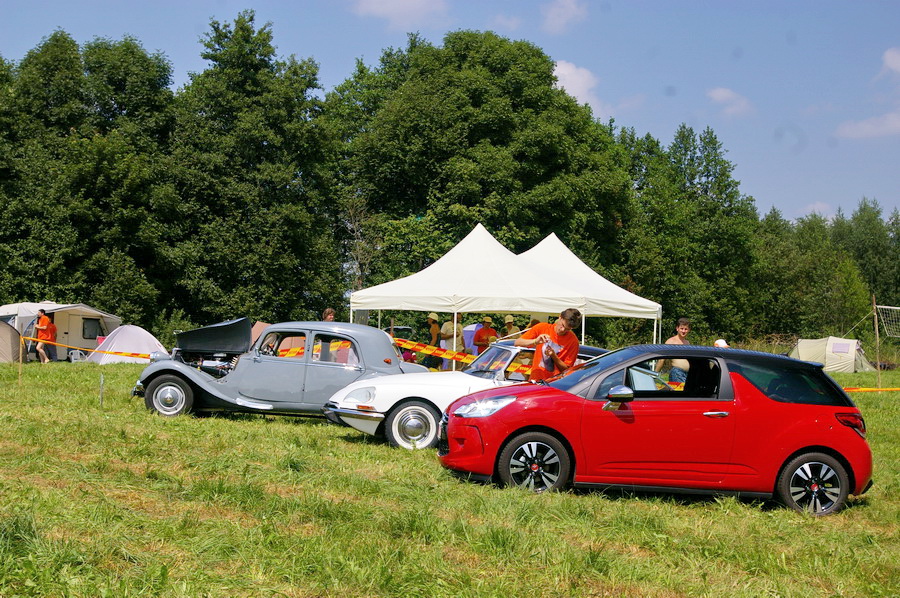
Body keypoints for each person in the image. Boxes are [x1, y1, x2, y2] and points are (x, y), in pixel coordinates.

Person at [515, 308, 582, 382]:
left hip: (555, 383)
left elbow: (567, 370)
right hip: (535, 380)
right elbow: (517, 343)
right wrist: (535, 341)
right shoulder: (542, 327)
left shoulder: (573, 342)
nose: (563, 330)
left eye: (567, 329)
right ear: (560, 317)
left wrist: (554, 356)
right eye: (562, 325)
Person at [656, 317, 691, 383]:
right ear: (677, 328)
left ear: (689, 330)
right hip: (677, 373)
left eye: (686, 329)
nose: (683, 331)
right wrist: (655, 374)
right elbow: (661, 359)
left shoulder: (687, 342)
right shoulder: (671, 341)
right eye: (681, 328)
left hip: (687, 374)